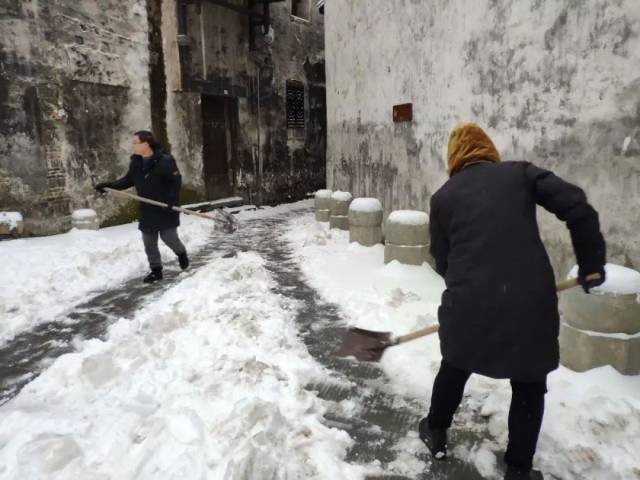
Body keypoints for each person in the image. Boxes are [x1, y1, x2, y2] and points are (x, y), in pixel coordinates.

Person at [419, 123, 606, 480]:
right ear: (489, 150)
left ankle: (435, 430)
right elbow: (578, 208)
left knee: (455, 364)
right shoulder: (520, 173)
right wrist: (591, 263)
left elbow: (442, 261)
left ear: (454, 159)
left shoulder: (443, 198)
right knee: (529, 383)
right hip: (530, 301)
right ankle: (518, 469)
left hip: (469, 302)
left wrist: (472, 286)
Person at [94, 130, 189, 283]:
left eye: (135, 143)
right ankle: (156, 271)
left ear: (146, 144)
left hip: (165, 207)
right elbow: (128, 180)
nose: (133, 146)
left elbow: (175, 182)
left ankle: (181, 253)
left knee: (169, 238)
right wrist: (109, 186)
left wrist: (171, 200)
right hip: (148, 208)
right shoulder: (136, 163)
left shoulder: (165, 161)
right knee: (149, 241)